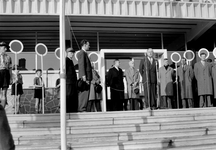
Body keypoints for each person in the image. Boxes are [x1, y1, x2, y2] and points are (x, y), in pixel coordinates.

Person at [77, 40, 92, 112]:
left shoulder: (85, 53)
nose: (89, 46)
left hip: (87, 77)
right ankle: (82, 108)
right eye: (88, 45)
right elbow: (81, 65)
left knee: (86, 93)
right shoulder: (81, 53)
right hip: (85, 77)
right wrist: (83, 76)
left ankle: (83, 107)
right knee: (84, 93)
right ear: (84, 45)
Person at [0, 41, 13, 108]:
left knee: (4, 92)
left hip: (6, 73)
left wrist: (11, 78)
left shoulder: (9, 57)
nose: (6, 49)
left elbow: (10, 68)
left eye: (6, 48)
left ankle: (2, 108)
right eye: (4, 47)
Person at [66, 47, 78, 113]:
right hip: (69, 82)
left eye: (73, 53)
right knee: (69, 97)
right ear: (67, 53)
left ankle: (72, 110)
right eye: (71, 53)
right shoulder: (66, 60)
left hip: (72, 83)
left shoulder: (71, 61)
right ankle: (69, 111)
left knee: (72, 97)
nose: (72, 54)